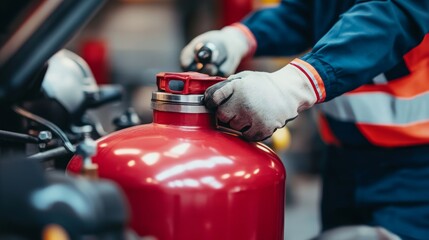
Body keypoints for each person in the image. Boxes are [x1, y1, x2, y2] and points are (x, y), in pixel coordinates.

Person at [180, 1, 429, 239]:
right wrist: (240, 38)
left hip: (416, 168)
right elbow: (306, 11)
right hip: (344, 159)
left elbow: (390, 17)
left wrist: (293, 85)